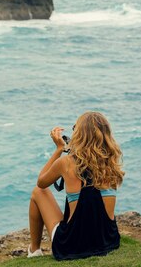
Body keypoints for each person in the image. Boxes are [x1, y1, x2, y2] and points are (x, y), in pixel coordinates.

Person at [27, 111, 124, 259]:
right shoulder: (111, 162)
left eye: (75, 128)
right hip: (107, 243)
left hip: (71, 247)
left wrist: (59, 149)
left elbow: (41, 183)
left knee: (37, 192)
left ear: (80, 135)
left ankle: (34, 251)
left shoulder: (66, 163)